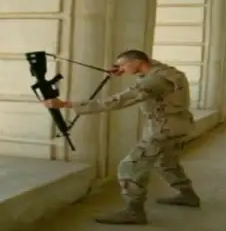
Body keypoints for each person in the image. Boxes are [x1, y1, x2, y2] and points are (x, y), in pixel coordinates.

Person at [43, 49, 200, 225]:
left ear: (138, 63)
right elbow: (148, 69)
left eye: (123, 65)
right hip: (180, 125)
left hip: (164, 129)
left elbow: (120, 100)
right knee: (166, 162)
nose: (120, 68)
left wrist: (67, 104)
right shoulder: (166, 72)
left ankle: (134, 212)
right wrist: (124, 70)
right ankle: (189, 196)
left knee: (129, 167)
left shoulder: (154, 80)